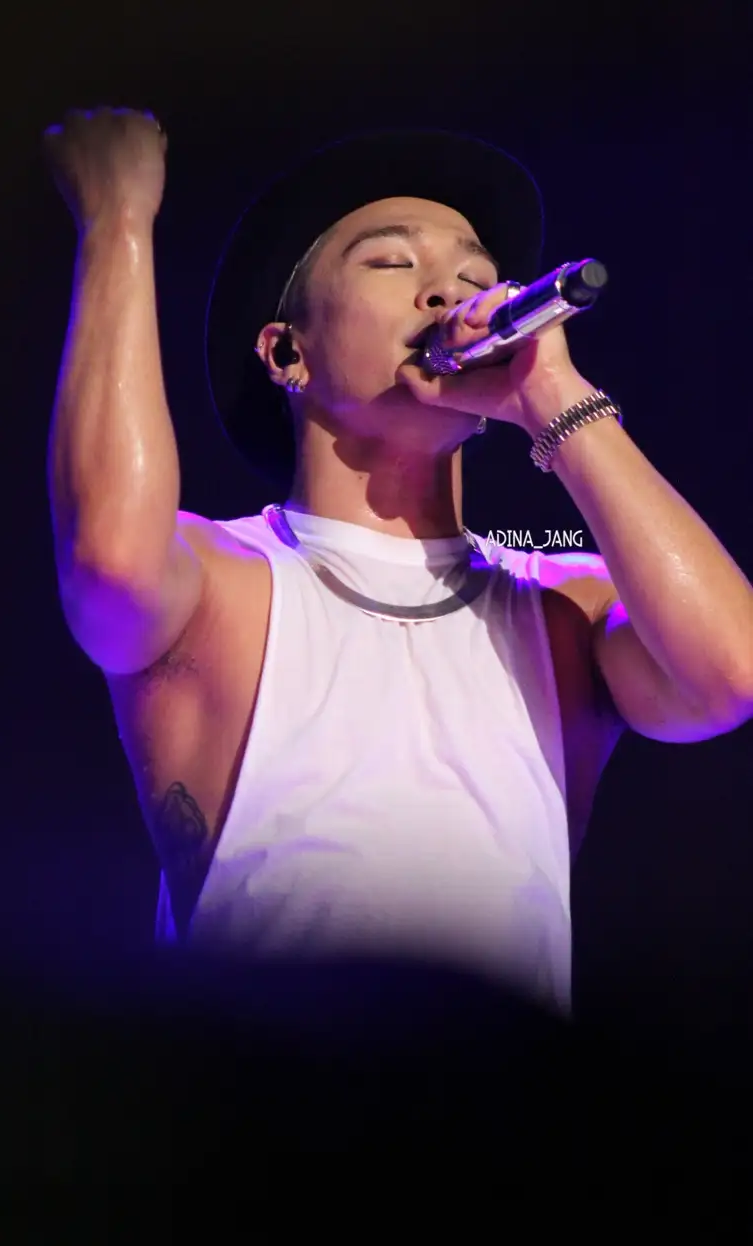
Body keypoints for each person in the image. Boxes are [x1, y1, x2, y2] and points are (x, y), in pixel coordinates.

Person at [44, 108, 753, 1018]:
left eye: (475, 276)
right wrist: (118, 221)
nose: (446, 292)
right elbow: (107, 559)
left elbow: (729, 673)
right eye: (390, 262)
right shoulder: (223, 575)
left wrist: (553, 394)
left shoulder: (561, 604)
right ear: (287, 352)